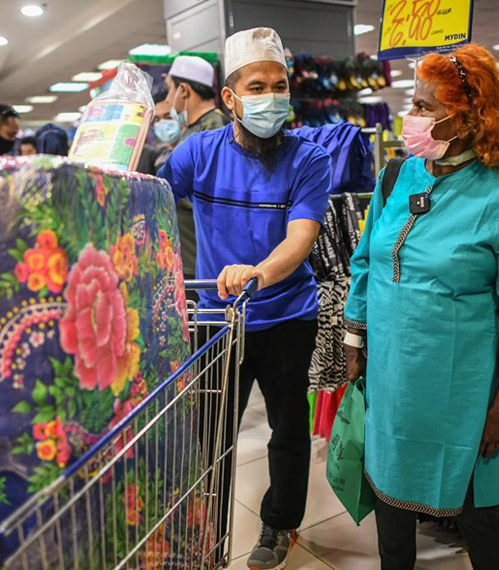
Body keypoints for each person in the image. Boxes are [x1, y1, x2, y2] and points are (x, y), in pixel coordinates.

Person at [343, 44, 499, 570]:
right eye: (413, 103)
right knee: (390, 507)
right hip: (391, 381)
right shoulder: (397, 178)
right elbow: (366, 260)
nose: (410, 116)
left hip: (461, 395)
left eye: (424, 106)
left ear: (467, 117)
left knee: (478, 513)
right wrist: (353, 338)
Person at [158, 28, 331, 570]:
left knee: (289, 430)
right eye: (257, 87)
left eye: (280, 86)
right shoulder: (197, 153)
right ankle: (202, 524)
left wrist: (259, 273)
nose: (271, 97)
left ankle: (280, 523)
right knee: (211, 432)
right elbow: (151, 204)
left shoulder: (309, 158)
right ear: (230, 98)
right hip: (218, 321)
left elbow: (300, 239)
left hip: (287, 315)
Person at [163, 55, 231, 286]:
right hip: (187, 256)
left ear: (183, 90)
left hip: (204, 260)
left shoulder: (215, 129)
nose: (168, 99)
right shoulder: (192, 130)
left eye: (170, 90)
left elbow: (216, 198)